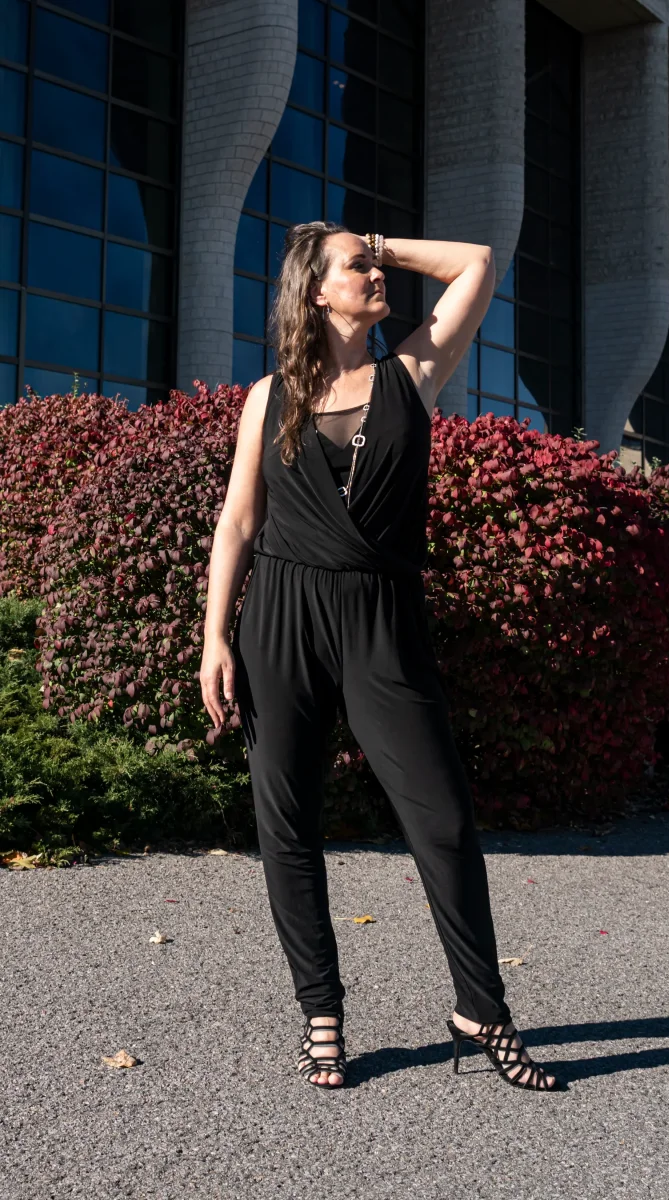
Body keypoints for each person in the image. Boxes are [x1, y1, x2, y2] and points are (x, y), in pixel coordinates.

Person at [199, 222, 560, 1093]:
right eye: (354, 267)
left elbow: (476, 264)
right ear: (316, 292)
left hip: (381, 618)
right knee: (287, 822)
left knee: (443, 819)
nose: (373, 274)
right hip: (280, 616)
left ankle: (480, 1008)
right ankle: (320, 1013)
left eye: (374, 264)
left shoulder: (412, 372)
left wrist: (379, 242)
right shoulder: (269, 397)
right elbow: (240, 519)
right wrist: (214, 635)